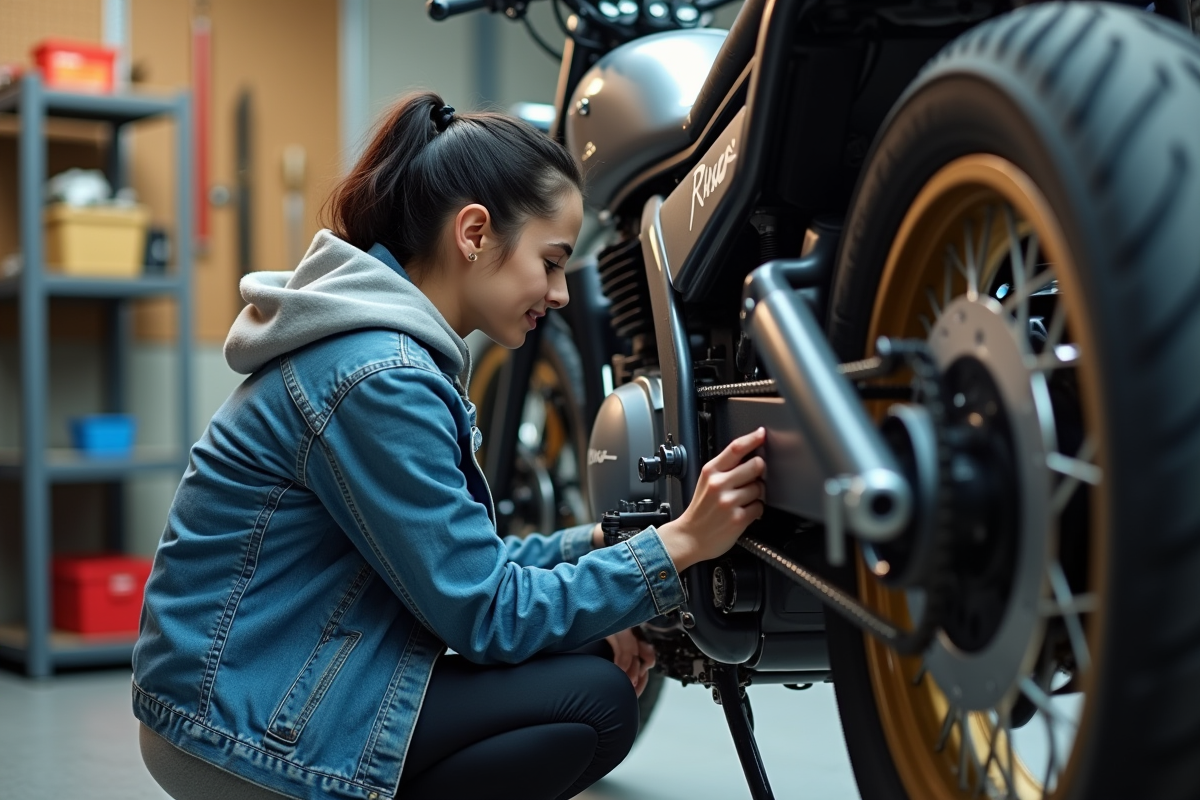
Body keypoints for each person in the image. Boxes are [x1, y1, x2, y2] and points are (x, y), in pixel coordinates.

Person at [133, 92, 767, 800]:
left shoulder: (383, 353)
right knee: (594, 702)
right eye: (551, 262)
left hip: (272, 683)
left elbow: (462, 566)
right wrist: (680, 545)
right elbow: (487, 612)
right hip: (235, 727)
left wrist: (596, 544)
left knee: (587, 648)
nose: (560, 293)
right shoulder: (379, 377)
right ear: (473, 233)